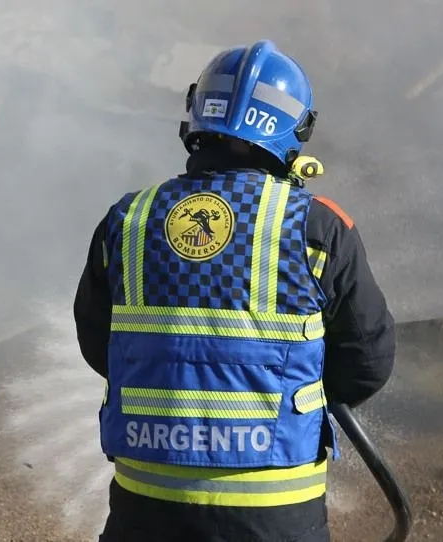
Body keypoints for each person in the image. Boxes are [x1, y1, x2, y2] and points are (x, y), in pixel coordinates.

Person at [74, 39, 396, 542]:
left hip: (145, 509)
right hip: (276, 512)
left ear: (198, 115)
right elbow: (367, 362)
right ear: (297, 130)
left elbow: (99, 344)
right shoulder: (317, 227)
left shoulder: (128, 220)